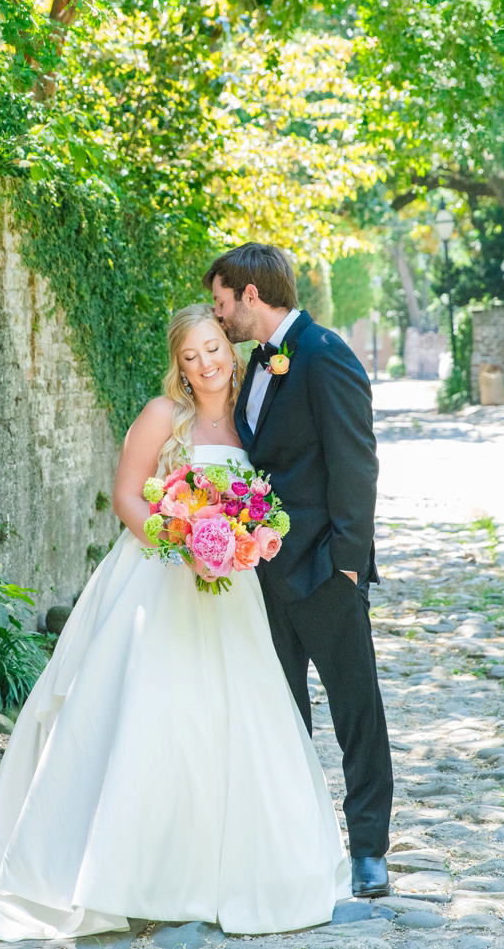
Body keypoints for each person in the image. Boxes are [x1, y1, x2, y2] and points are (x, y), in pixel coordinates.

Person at [0, 303, 350, 940]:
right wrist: (178, 535)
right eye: (190, 356)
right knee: (150, 715)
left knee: (231, 719)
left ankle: (222, 869)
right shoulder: (162, 416)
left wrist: (239, 540)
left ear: (230, 351)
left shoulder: (252, 422)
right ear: (178, 365)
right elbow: (127, 492)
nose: (205, 363)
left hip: (230, 592)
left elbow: (264, 501)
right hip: (156, 579)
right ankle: (116, 874)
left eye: (213, 349)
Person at [206, 242, 394, 899]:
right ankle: (295, 844)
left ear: (251, 296)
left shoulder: (325, 353)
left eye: (222, 301)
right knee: (281, 718)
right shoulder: (251, 365)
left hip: (322, 570)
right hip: (261, 578)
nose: (219, 315)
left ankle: (370, 849)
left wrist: (348, 564)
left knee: (356, 713)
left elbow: (356, 461)